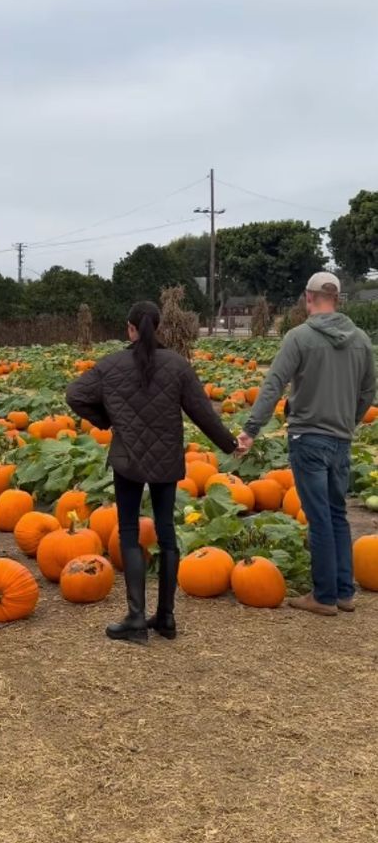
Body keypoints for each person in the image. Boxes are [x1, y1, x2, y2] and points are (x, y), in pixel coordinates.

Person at [66, 300, 238, 644]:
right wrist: (230, 444)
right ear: (156, 328)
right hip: (166, 459)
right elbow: (202, 412)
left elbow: (75, 395)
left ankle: (134, 618)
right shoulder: (176, 365)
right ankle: (166, 617)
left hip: (128, 458)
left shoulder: (111, 365)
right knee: (166, 532)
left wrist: (108, 419)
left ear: (130, 328)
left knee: (129, 531)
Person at [237, 272, 376, 617]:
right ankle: (344, 592)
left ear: (307, 297)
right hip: (341, 440)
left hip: (308, 438)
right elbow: (369, 391)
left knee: (319, 519)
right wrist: (351, 420)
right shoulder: (360, 339)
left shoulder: (298, 337)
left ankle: (325, 596)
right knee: (337, 513)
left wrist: (251, 428)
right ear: (338, 298)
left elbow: (273, 385)